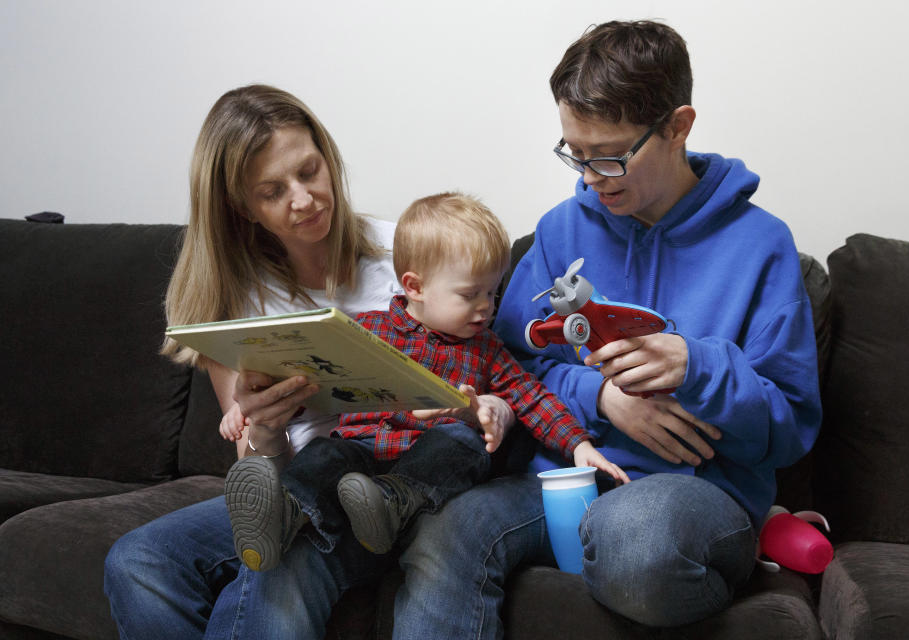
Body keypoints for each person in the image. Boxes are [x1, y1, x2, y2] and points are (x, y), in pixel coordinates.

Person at [388, 20, 822, 635]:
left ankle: (744, 541)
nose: (589, 176)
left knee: (633, 542)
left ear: (678, 126)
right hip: (568, 471)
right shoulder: (561, 229)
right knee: (445, 533)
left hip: (695, 493)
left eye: (610, 155)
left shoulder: (761, 246)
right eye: (574, 152)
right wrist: (604, 399)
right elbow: (511, 363)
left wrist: (698, 368)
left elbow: (792, 425)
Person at [102, 84, 478, 639]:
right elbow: (252, 458)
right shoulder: (235, 298)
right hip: (297, 484)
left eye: (309, 171)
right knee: (138, 561)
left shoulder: (404, 257)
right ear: (241, 207)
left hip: (387, 484)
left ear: (327, 157)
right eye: (273, 191)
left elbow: (477, 363)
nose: (303, 199)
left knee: (275, 569)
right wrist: (265, 431)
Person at [221, 192, 629, 569]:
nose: (486, 308)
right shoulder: (368, 330)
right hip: (359, 455)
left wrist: (579, 444)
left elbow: (533, 397)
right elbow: (307, 379)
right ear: (415, 287)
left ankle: (394, 504)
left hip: (422, 465)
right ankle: (285, 513)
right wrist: (246, 405)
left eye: (492, 292)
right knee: (324, 456)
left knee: (464, 442)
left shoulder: (487, 349)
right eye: (471, 294)